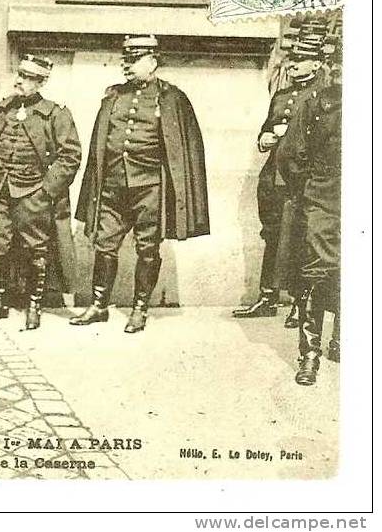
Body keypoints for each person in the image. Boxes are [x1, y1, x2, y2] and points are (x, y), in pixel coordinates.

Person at [71, 35, 209, 333]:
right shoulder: (114, 96)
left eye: (134, 61)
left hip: (150, 189)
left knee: (148, 249)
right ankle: (98, 305)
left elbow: (187, 148)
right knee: (104, 245)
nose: (127, 66)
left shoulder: (172, 98)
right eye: (126, 60)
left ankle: (140, 309)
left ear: (153, 62)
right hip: (112, 187)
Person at [0, 55, 81, 330]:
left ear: (41, 81)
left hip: (34, 191)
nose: (19, 81)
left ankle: (35, 304)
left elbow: (70, 156)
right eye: (19, 74)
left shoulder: (55, 113)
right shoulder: (1, 109)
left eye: (27, 77)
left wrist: (46, 190)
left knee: (36, 248)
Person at [232, 27, 327, 320]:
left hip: (302, 181)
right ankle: (268, 298)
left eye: (301, 59)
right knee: (272, 235)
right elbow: (266, 128)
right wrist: (264, 139)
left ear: (317, 63)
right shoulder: (282, 95)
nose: (293, 64)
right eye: (292, 58)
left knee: (300, 239)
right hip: (274, 178)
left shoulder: (326, 97)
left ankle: (302, 303)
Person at [277, 40, 341, 386]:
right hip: (324, 198)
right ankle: (310, 355)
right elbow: (290, 155)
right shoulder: (316, 103)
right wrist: (312, 189)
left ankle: (342, 342)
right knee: (316, 273)